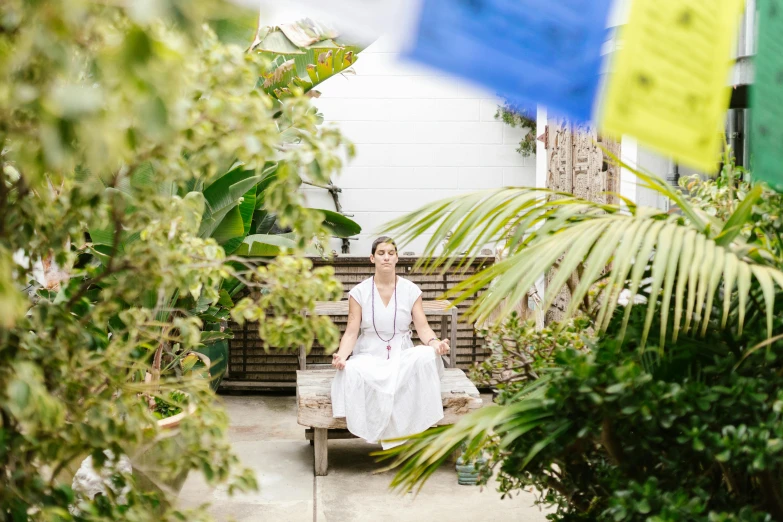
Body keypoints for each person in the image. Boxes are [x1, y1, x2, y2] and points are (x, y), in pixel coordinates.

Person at [330, 236, 451, 449]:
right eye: (381, 253)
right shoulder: (358, 293)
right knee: (350, 370)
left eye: (391, 253)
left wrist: (435, 343)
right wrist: (341, 355)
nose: (386, 257)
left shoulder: (411, 290)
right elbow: (351, 332)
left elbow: (422, 327)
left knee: (425, 355)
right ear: (372, 258)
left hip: (401, 354)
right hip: (369, 355)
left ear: (397, 258)